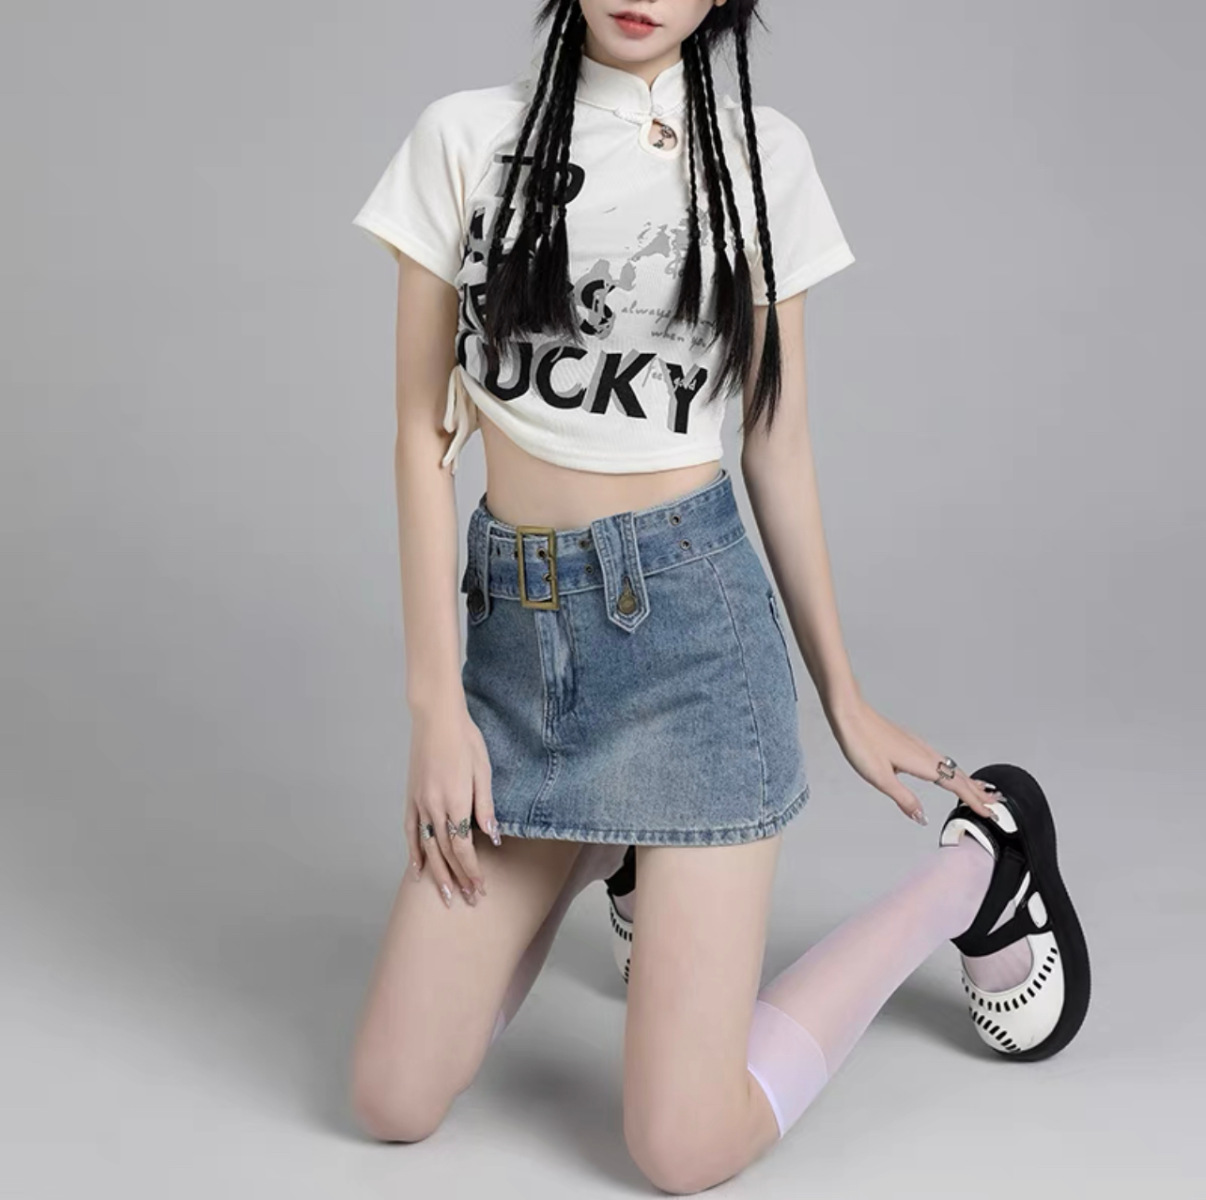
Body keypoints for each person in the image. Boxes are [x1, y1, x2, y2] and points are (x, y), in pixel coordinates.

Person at [347, 1, 1091, 1191]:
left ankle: (976, 876)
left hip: (690, 647)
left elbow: (774, 445)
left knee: (682, 1146)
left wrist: (843, 696)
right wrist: (436, 709)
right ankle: (615, 843)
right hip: (515, 658)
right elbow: (419, 436)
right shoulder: (463, 139)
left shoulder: (759, 158)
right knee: (392, 1098)